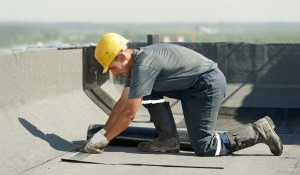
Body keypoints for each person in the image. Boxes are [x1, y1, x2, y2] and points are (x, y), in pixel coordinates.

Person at [83, 32, 283, 156]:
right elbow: (122, 104)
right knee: (146, 92)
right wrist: (101, 134)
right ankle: (168, 139)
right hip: (192, 86)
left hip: (207, 86)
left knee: (205, 147)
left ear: (121, 56)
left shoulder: (144, 65)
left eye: (112, 67)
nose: (113, 73)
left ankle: (257, 131)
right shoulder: (136, 67)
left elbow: (129, 114)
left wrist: (104, 140)